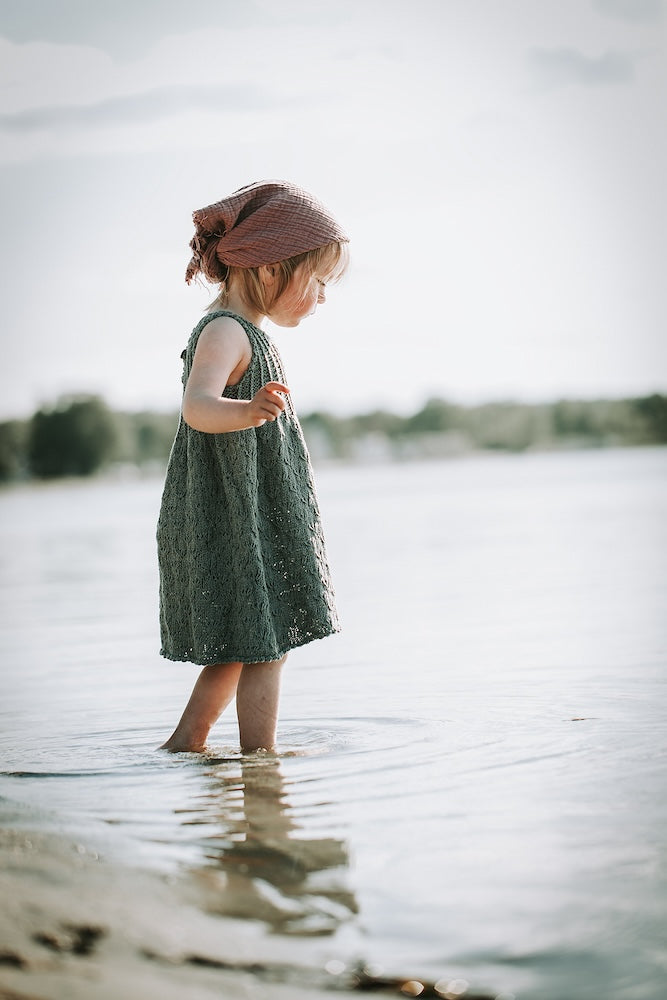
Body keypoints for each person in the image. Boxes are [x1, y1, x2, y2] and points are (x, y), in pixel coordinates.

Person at [157, 180, 349, 753]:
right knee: (265, 644)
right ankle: (260, 759)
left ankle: (188, 745)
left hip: (251, 512)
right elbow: (196, 407)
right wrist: (246, 411)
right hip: (232, 516)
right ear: (269, 269)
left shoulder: (247, 333)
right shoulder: (225, 331)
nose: (321, 297)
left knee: (244, 644)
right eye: (317, 281)